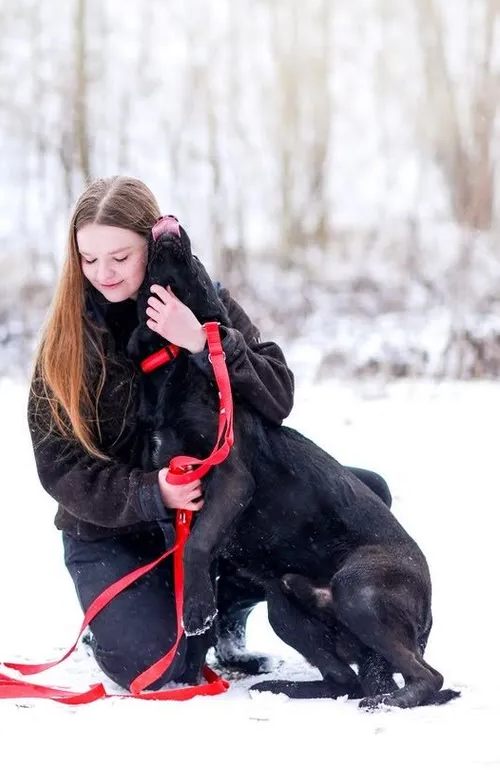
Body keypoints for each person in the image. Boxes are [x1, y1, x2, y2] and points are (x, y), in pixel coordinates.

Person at [27, 175, 392, 691]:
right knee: (159, 665)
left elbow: (277, 396)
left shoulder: (201, 299)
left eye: (120, 257)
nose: (103, 273)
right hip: (116, 530)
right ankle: (119, 611)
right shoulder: (67, 341)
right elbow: (60, 467)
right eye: (89, 259)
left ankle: (233, 607)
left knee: (367, 495)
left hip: (214, 508)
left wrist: (204, 341)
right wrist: (151, 491)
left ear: (152, 249)